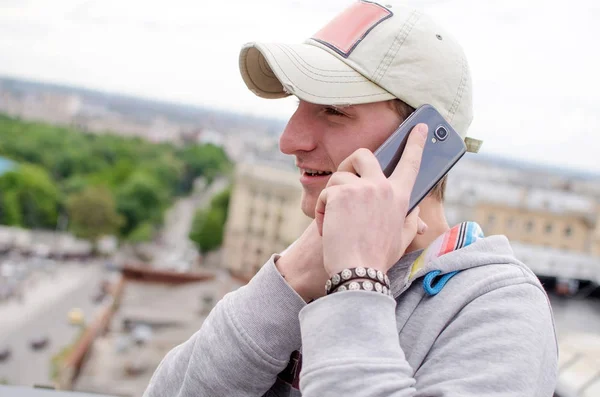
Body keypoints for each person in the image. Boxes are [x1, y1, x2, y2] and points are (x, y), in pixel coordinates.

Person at [143, 1, 558, 396]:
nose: (289, 140)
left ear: (427, 140)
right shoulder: (309, 265)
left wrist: (356, 282)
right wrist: (288, 279)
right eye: (299, 106)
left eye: (334, 111)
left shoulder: (500, 309)